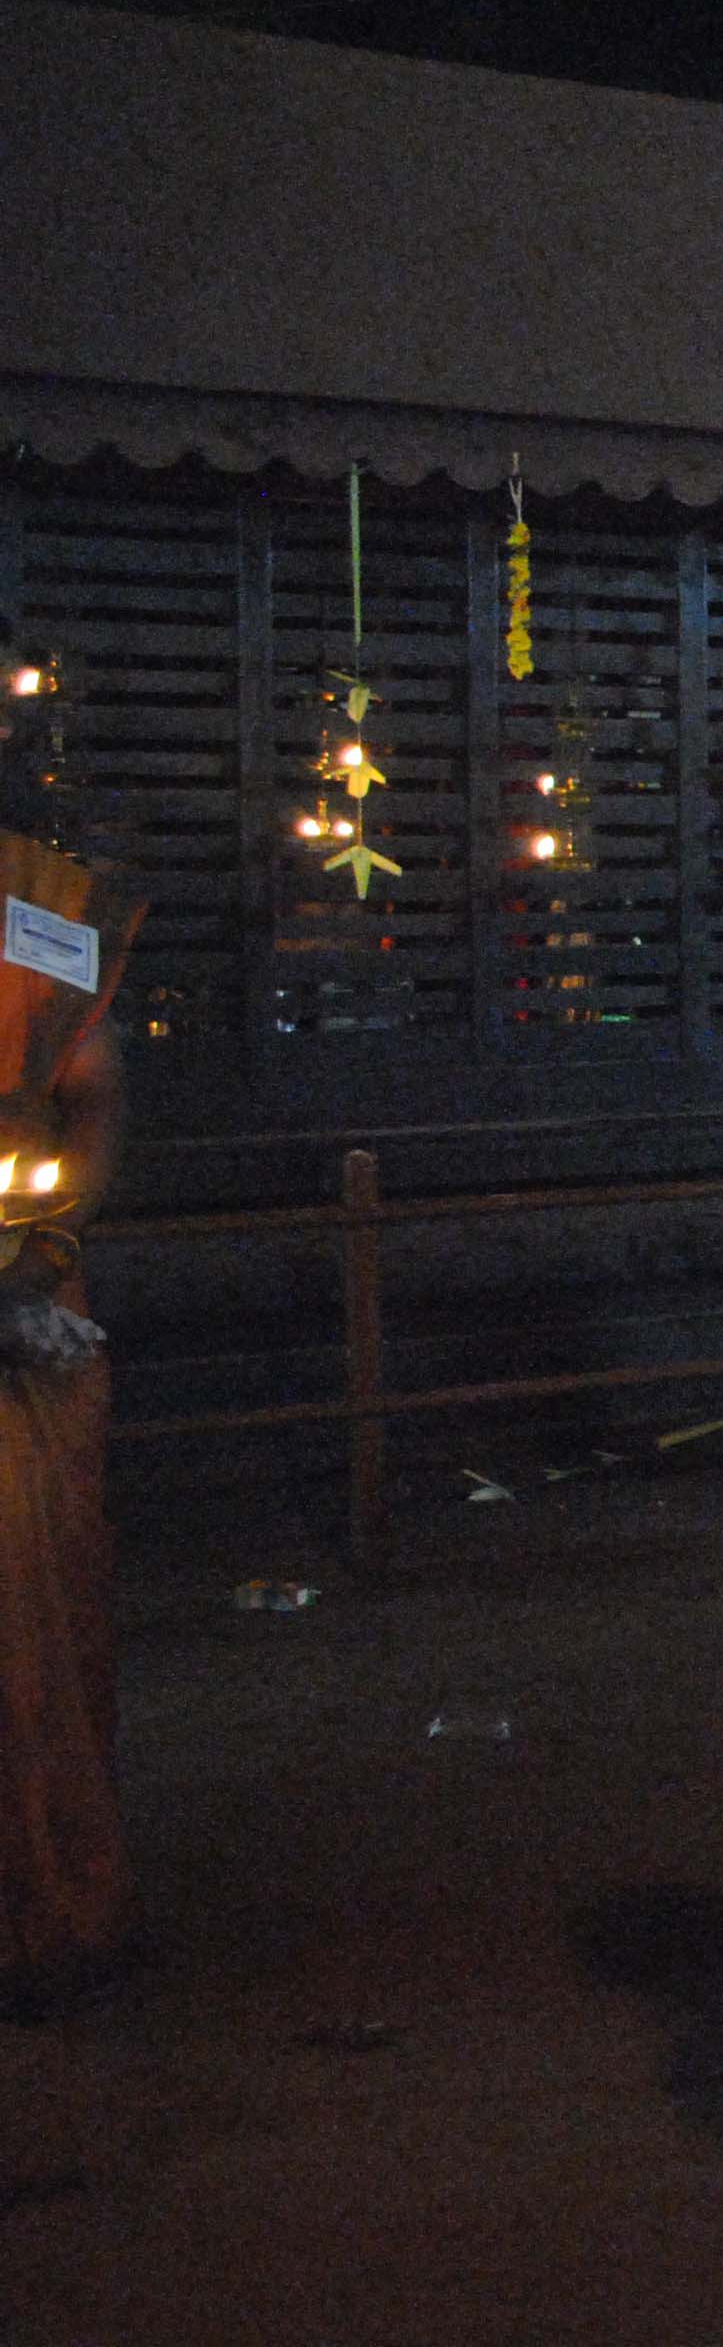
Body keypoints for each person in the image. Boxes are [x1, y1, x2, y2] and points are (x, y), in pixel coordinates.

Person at [0, 691, 140, 2022]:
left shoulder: (30, 907)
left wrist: (34, 1244)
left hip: (22, 1294)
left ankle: (55, 1907)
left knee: (35, 1622)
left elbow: (88, 1096)